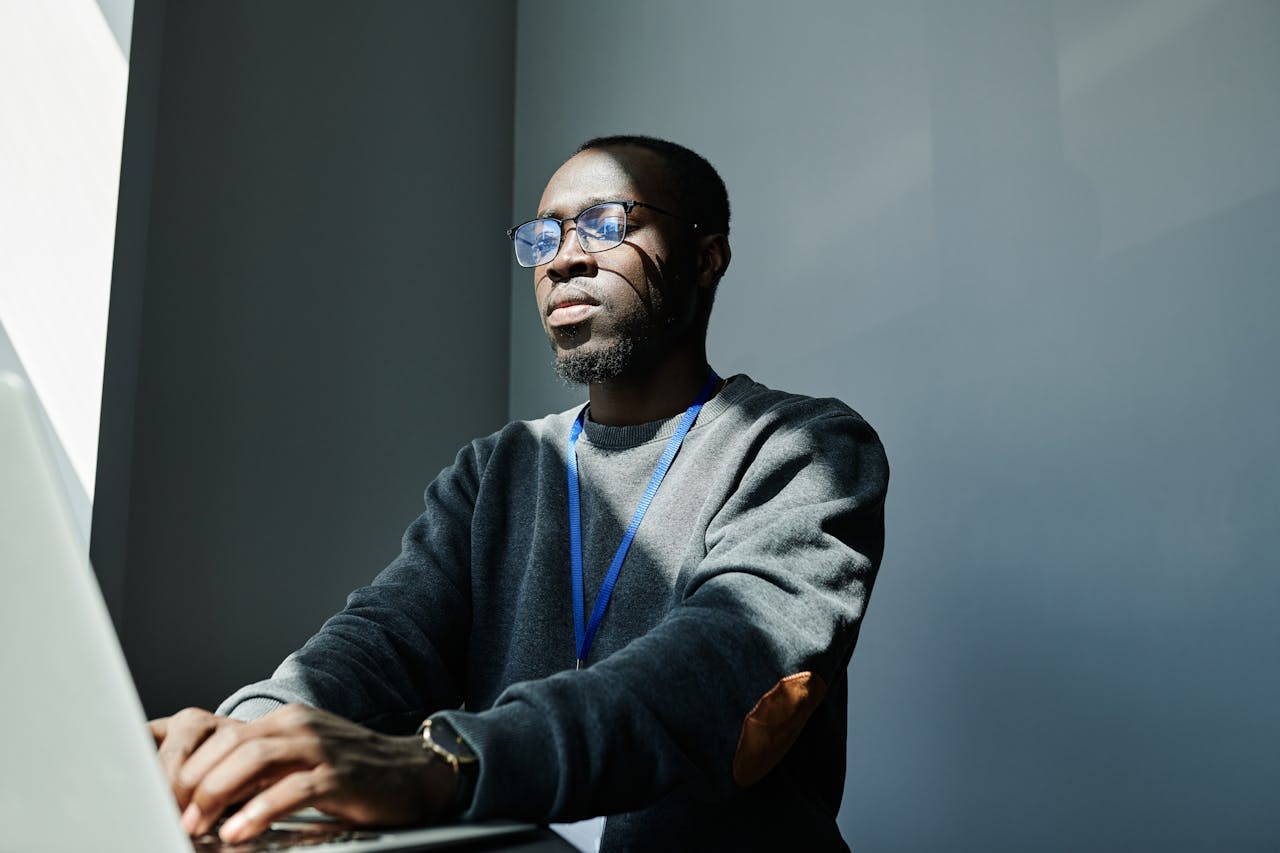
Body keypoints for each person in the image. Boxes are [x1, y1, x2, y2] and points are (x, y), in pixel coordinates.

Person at [149, 135, 889, 850]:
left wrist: (448, 760)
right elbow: (378, 643)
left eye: (607, 223)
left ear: (706, 257)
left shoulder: (805, 447)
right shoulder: (498, 469)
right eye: (542, 236)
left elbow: (717, 675)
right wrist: (238, 738)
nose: (564, 257)